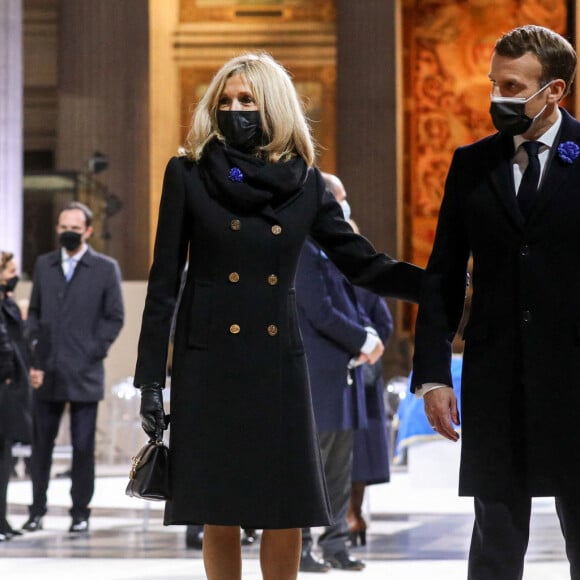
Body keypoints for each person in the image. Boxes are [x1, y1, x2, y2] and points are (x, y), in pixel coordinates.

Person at [134, 52, 423, 580]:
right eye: (224, 101)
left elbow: (362, 263)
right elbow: (162, 286)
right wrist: (151, 380)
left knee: (284, 508)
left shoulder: (306, 183)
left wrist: (439, 286)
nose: (234, 110)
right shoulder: (188, 173)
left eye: (247, 99)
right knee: (218, 509)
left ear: (273, 107)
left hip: (278, 362)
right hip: (209, 362)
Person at [411, 25, 580, 579]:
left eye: (512, 86)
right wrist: (433, 375)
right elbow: (442, 276)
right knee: (495, 543)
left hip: (575, 383)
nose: (497, 98)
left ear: (553, 91)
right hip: (497, 378)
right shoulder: (471, 164)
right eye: (493, 85)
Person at [295, 173, 382, 572]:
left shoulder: (334, 249)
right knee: (310, 466)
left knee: (338, 469)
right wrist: (360, 341)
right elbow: (321, 311)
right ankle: (299, 547)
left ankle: (335, 545)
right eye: (341, 198)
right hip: (317, 373)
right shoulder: (303, 249)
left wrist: (367, 334)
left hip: (343, 372)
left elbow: (353, 301)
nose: (346, 206)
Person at [22, 201, 124, 534]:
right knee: (41, 447)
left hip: (84, 372)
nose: (68, 232)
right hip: (47, 369)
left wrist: (92, 351)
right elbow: (34, 311)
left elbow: (114, 317)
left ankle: (80, 511)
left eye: (75, 228)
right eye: (63, 227)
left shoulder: (105, 268)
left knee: (82, 448)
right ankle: (36, 510)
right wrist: (35, 349)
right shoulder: (44, 265)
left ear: (88, 231)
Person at [348, 266, 394, 548]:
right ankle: (355, 515)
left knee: (339, 453)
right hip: (365, 372)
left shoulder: (322, 274)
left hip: (342, 374)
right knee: (360, 453)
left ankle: (346, 518)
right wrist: (369, 350)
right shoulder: (366, 281)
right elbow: (385, 325)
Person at [0, 252, 31, 540]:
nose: (14, 275)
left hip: (9, 389)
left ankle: (2, 520)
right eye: (9, 269)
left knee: (5, 457)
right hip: (3, 386)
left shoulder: (8, 304)